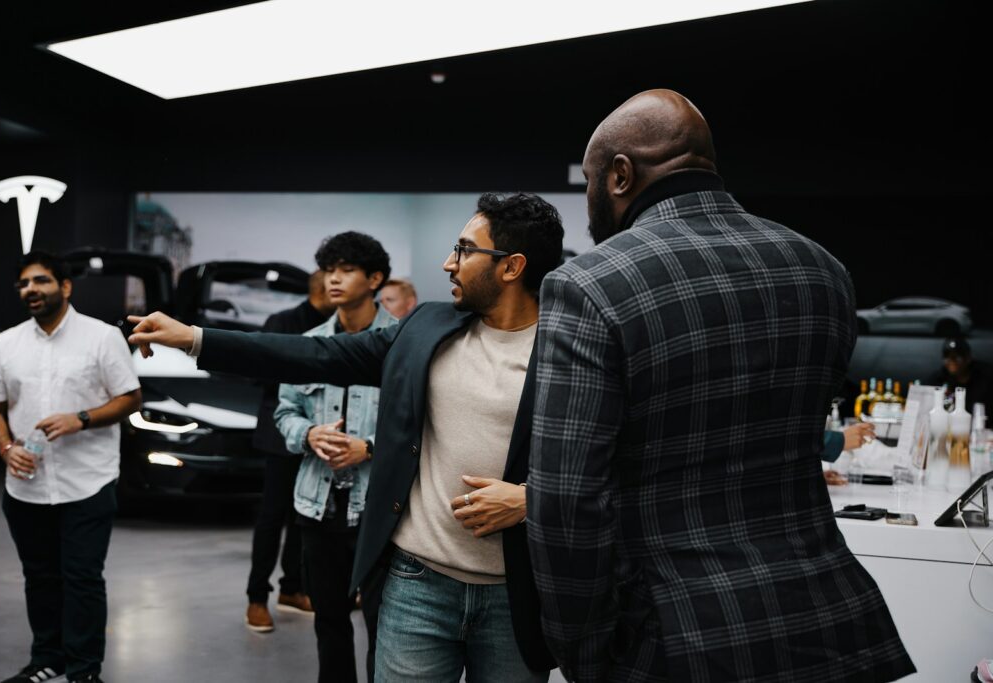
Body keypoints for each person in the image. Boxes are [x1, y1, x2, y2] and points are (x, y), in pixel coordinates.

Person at [527, 90, 915, 681]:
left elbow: (566, 502)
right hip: (830, 619)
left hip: (675, 638)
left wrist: (585, 656)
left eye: (590, 180)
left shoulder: (589, 285)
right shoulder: (823, 269)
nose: (589, 201)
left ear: (621, 174)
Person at [126, 193, 564, 681]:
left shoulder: (567, 351)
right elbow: (317, 355)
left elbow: (621, 465)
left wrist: (531, 499)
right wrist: (195, 338)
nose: (448, 263)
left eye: (464, 250)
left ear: (512, 266)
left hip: (515, 593)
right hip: (417, 582)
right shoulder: (427, 327)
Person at [0, 251, 142, 683]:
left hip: (87, 481)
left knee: (83, 578)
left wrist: (81, 418)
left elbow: (130, 398)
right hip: (26, 486)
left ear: (65, 287)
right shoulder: (6, 343)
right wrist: (5, 447)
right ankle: (47, 659)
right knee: (40, 577)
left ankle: (85, 670)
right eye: (24, 283)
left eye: (41, 281)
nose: (31, 289)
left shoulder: (102, 337)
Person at [275, 232, 397, 681]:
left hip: (378, 508)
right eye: (330, 269)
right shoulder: (307, 343)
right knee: (329, 619)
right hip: (317, 505)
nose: (334, 278)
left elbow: (419, 426)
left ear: (375, 278)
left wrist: (370, 448)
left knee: (383, 624)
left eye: (346, 269)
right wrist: (308, 434)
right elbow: (284, 412)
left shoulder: (400, 345)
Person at [245, 269, 335, 632]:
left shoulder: (336, 324)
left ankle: (291, 589)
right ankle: (256, 598)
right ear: (323, 288)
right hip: (282, 434)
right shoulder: (282, 322)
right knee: (272, 518)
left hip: (321, 434)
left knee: (305, 515)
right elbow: (258, 372)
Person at [928, 336, 991, 412]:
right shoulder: (940, 377)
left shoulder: (986, 376)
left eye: (956, 357)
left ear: (968, 358)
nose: (951, 361)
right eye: (947, 357)